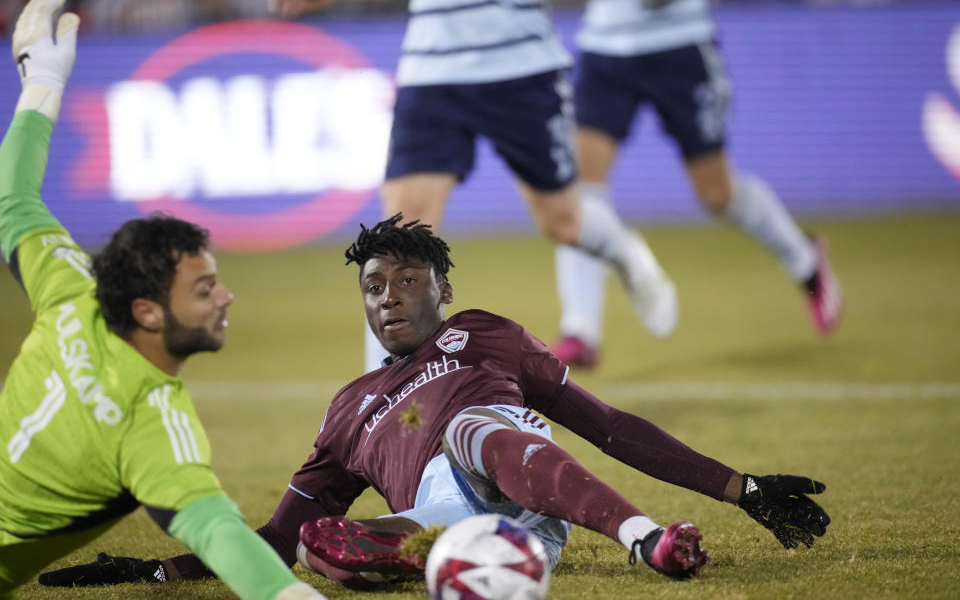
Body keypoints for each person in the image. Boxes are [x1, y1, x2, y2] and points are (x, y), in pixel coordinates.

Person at [39, 215, 831, 591]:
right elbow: (273, 540)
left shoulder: (486, 336)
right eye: (373, 288)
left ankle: (647, 540)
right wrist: (157, 571)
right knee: (321, 541)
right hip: (443, 531)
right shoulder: (346, 409)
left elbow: (609, 427)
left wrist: (744, 488)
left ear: (445, 290)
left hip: (519, 492)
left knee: (469, 424)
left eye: (407, 281)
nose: (388, 299)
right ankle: (423, 553)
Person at [0, 0, 326, 599]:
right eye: (205, 289)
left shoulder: (73, 291)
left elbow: (13, 199)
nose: (227, 297)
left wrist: (40, 82)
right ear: (146, 311)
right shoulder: (150, 419)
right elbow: (217, 530)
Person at [268, 0, 678, 373]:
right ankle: (383, 399)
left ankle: (627, 256)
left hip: (522, 69)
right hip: (432, 72)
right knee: (400, 236)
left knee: (564, 224)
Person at [551, 0, 843, 368]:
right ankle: (581, 328)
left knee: (716, 194)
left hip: (681, 46)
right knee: (577, 192)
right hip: (605, 50)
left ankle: (805, 260)